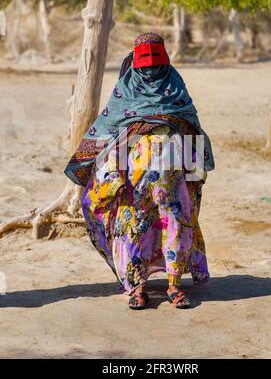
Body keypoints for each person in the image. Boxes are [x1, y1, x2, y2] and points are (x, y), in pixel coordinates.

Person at [64, 32, 214, 309]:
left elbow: (192, 127)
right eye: (146, 66)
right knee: (133, 228)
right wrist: (105, 173)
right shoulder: (126, 90)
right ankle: (137, 287)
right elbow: (110, 130)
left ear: (165, 61)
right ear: (136, 62)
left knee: (176, 227)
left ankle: (174, 286)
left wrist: (195, 175)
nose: (152, 72)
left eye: (156, 65)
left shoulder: (175, 86)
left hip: (174, 182)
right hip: (134, 184)